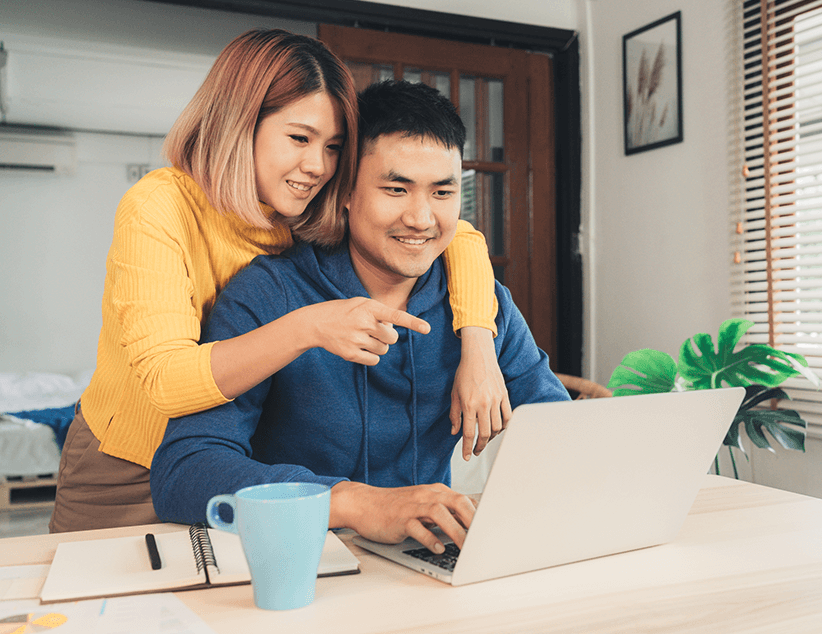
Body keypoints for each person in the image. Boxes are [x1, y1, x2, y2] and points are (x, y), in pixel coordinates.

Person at [51, 30, 509, 534]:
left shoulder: (298, 205)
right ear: (239, 123)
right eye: (299, 138)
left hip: (231, 459)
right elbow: (165, 383)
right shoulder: (159, 207)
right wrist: (307, 327)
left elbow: (454, 234)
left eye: (334, 147)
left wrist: (478, 344)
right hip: (128, 463)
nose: (317, 166)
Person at [150, 80, 569, 554]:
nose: (421, 218)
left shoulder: (479, 303)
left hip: (424, 558)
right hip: (297, 557)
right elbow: (183, 471)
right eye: (396, 189)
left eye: (443, 192)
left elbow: (561, 434)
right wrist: (353, 504)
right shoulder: (268, 293)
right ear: (345, 192)